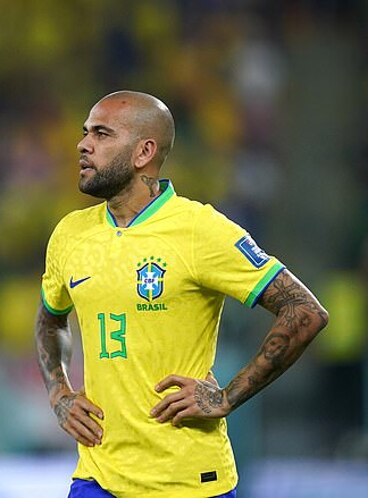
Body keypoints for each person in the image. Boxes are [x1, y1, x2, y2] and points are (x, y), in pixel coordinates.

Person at [35, 91, 329, 498]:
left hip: (189, 482)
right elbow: (50, 320)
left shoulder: (199, 230)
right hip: (98, 478)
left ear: (144, 152)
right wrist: (59, 393)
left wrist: (227, 396)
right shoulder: (70, 233)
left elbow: (304, 310)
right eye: (86, 133)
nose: (83, 145)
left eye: (102, 134)